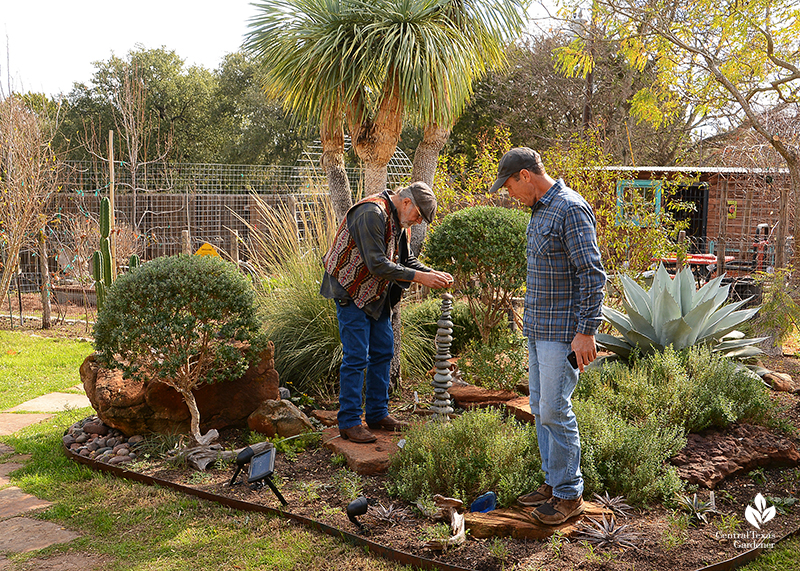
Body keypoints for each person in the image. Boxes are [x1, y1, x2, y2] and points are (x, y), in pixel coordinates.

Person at [489, 147, 606, 525]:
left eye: (509, 187)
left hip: (563, 334)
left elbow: (592, 274)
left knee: (556, 409)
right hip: (538, 330)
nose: (510, 195)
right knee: (540, 409)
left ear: (525, 175)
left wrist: (587, 331)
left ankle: (570, 495)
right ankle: (553, 484)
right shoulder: (540, 210)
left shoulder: (570, 208)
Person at [321, 182, 454, 444]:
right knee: (356, 356)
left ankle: (377, 414)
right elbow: (377, 264)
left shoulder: (398, 220)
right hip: (350, 290)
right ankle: (348, 421)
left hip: (375, 295)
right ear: (406, 203)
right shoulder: (371, 213)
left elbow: (405, 261)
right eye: (418, 215)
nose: (416, 222)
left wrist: (431, 274)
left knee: (383, 350)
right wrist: (421, 278)